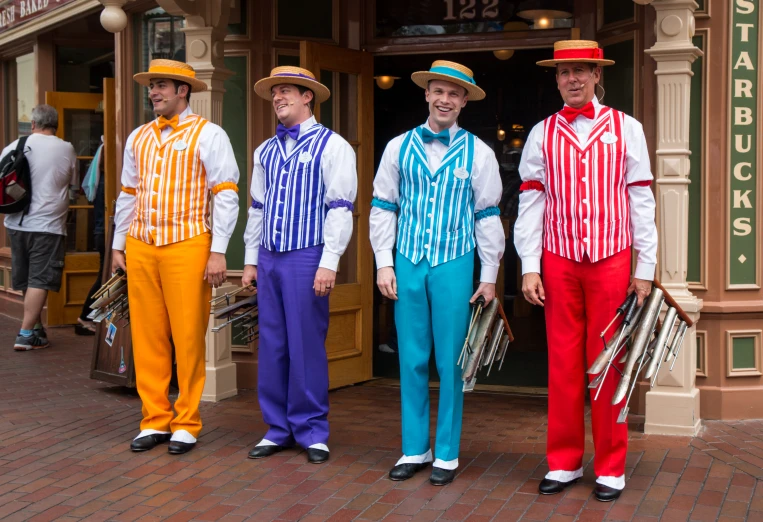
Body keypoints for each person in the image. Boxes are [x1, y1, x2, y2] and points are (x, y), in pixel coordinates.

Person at [515, 40, 658, 502]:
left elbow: (641, 200)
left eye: (581, 70)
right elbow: (532, 202)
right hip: (557, 259)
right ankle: (564, 462)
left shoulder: (626, 128)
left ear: (597, 76)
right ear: (556, 80)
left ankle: (612, 465)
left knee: (609, 361)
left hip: (612, 258)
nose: (572, 79)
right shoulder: (541, 133)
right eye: (563, 72)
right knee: (562, 362)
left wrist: (645, 268)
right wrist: (530, 267)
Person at [370, 61, 504, 486]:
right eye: (438, 91)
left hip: (454, 261)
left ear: (465, 101)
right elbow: (383, 207)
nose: (445, 99)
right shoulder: (397, 147)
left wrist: (489, 274)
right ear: (426, 95)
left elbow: (487, 215)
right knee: (410, 358)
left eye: (454, 93)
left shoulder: (479, 152)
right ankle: (414, 448)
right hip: (408, 260)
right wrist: (383, 262)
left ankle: (446, 452)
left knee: (450, 361)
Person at [111, 59, 240, 455]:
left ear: (183, 90)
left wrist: (218, 251)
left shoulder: (209, 134)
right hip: (141, 243)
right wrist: (118, 243)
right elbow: (128, 194)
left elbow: (227, 194)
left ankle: (186, 420)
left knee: (187, 335)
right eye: (151, 86)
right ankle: (154, 419)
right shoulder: (138, 137)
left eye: (161, 85)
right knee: (148, 335)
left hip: (188, 243)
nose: (153, 92)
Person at [242, 66, 357, 464]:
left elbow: (340, 208)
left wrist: (330, 263)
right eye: (275, 92)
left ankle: (311, 430)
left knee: (306, 343)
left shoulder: (334, 146)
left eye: (286, 91)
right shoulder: (264, 150)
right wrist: (250, 261)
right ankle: (277, 429)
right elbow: (257, 208)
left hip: (308, 254)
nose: (278, 98)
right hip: (269, 255)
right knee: (272, 343)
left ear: (308, 96)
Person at [4, 104, 78, 351]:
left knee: (26, 278)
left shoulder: (14, 146)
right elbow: (73, 185)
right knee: (39, 279)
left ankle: (35, 329)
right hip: (48, 225)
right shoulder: (65, 148)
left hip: (16, 222)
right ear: (56, 124)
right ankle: (25, 334)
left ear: (33, 124)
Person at [76, 138, 106, 335]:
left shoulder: (101, 181)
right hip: (105, 233)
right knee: (105, 278)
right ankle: (86, 315)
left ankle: (88, 316)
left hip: (100, 232)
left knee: (104, 277)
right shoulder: (107, 183)